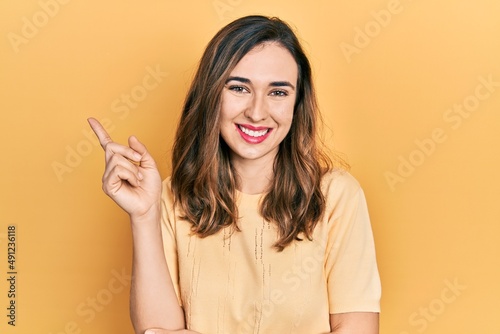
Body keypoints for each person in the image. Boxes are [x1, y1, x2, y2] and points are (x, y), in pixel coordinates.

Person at [88, 15, 381, 334]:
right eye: (239, 88)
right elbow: (155, 330)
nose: (257, 112)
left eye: (278, 92)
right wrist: (144, 215)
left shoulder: (337, 196)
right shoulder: (169, 197)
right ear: (212, 94)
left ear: (297, 104)